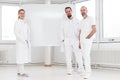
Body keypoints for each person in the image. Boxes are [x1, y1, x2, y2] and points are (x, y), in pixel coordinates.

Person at [61, 7, 82, 75]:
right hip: (67, 40)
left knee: (78, 54)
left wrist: (80, 40)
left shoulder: (77, 20)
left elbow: (80, 31)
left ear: (71, 11)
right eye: (66, 12)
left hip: (75, 39)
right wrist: (63, 39)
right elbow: (61, 31)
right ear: (65, 13)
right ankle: (69, 70)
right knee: (68, 55)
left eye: (69, 11)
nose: (68, 12)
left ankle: (81, 69)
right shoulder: (64, 22)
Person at [79, 6, 96, 79]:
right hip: (82, 40)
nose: (83, 11)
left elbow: (94, 29)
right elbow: (80, 32)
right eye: (81, 10)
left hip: (87, 40)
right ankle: (86, 72)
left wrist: (88, 38)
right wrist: (79, 42)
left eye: (84, 10)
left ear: (87, 10)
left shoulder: (91, 18)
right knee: (83, 56)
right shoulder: (81, 21)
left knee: (86, 56)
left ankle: (88, 73)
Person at [14, 9, 31, 77]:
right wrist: (23, 40)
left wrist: (27, 40)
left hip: (25, 42)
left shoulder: (24, 22)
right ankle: (22, 73)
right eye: (21, 13)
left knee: (21, 57)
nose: (22, 14)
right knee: (21, 57)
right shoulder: (17, 22)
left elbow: (27, 32)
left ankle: (19, 71)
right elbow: (16, 33)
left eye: (23, 13)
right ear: (18, 14)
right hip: (21, 43)